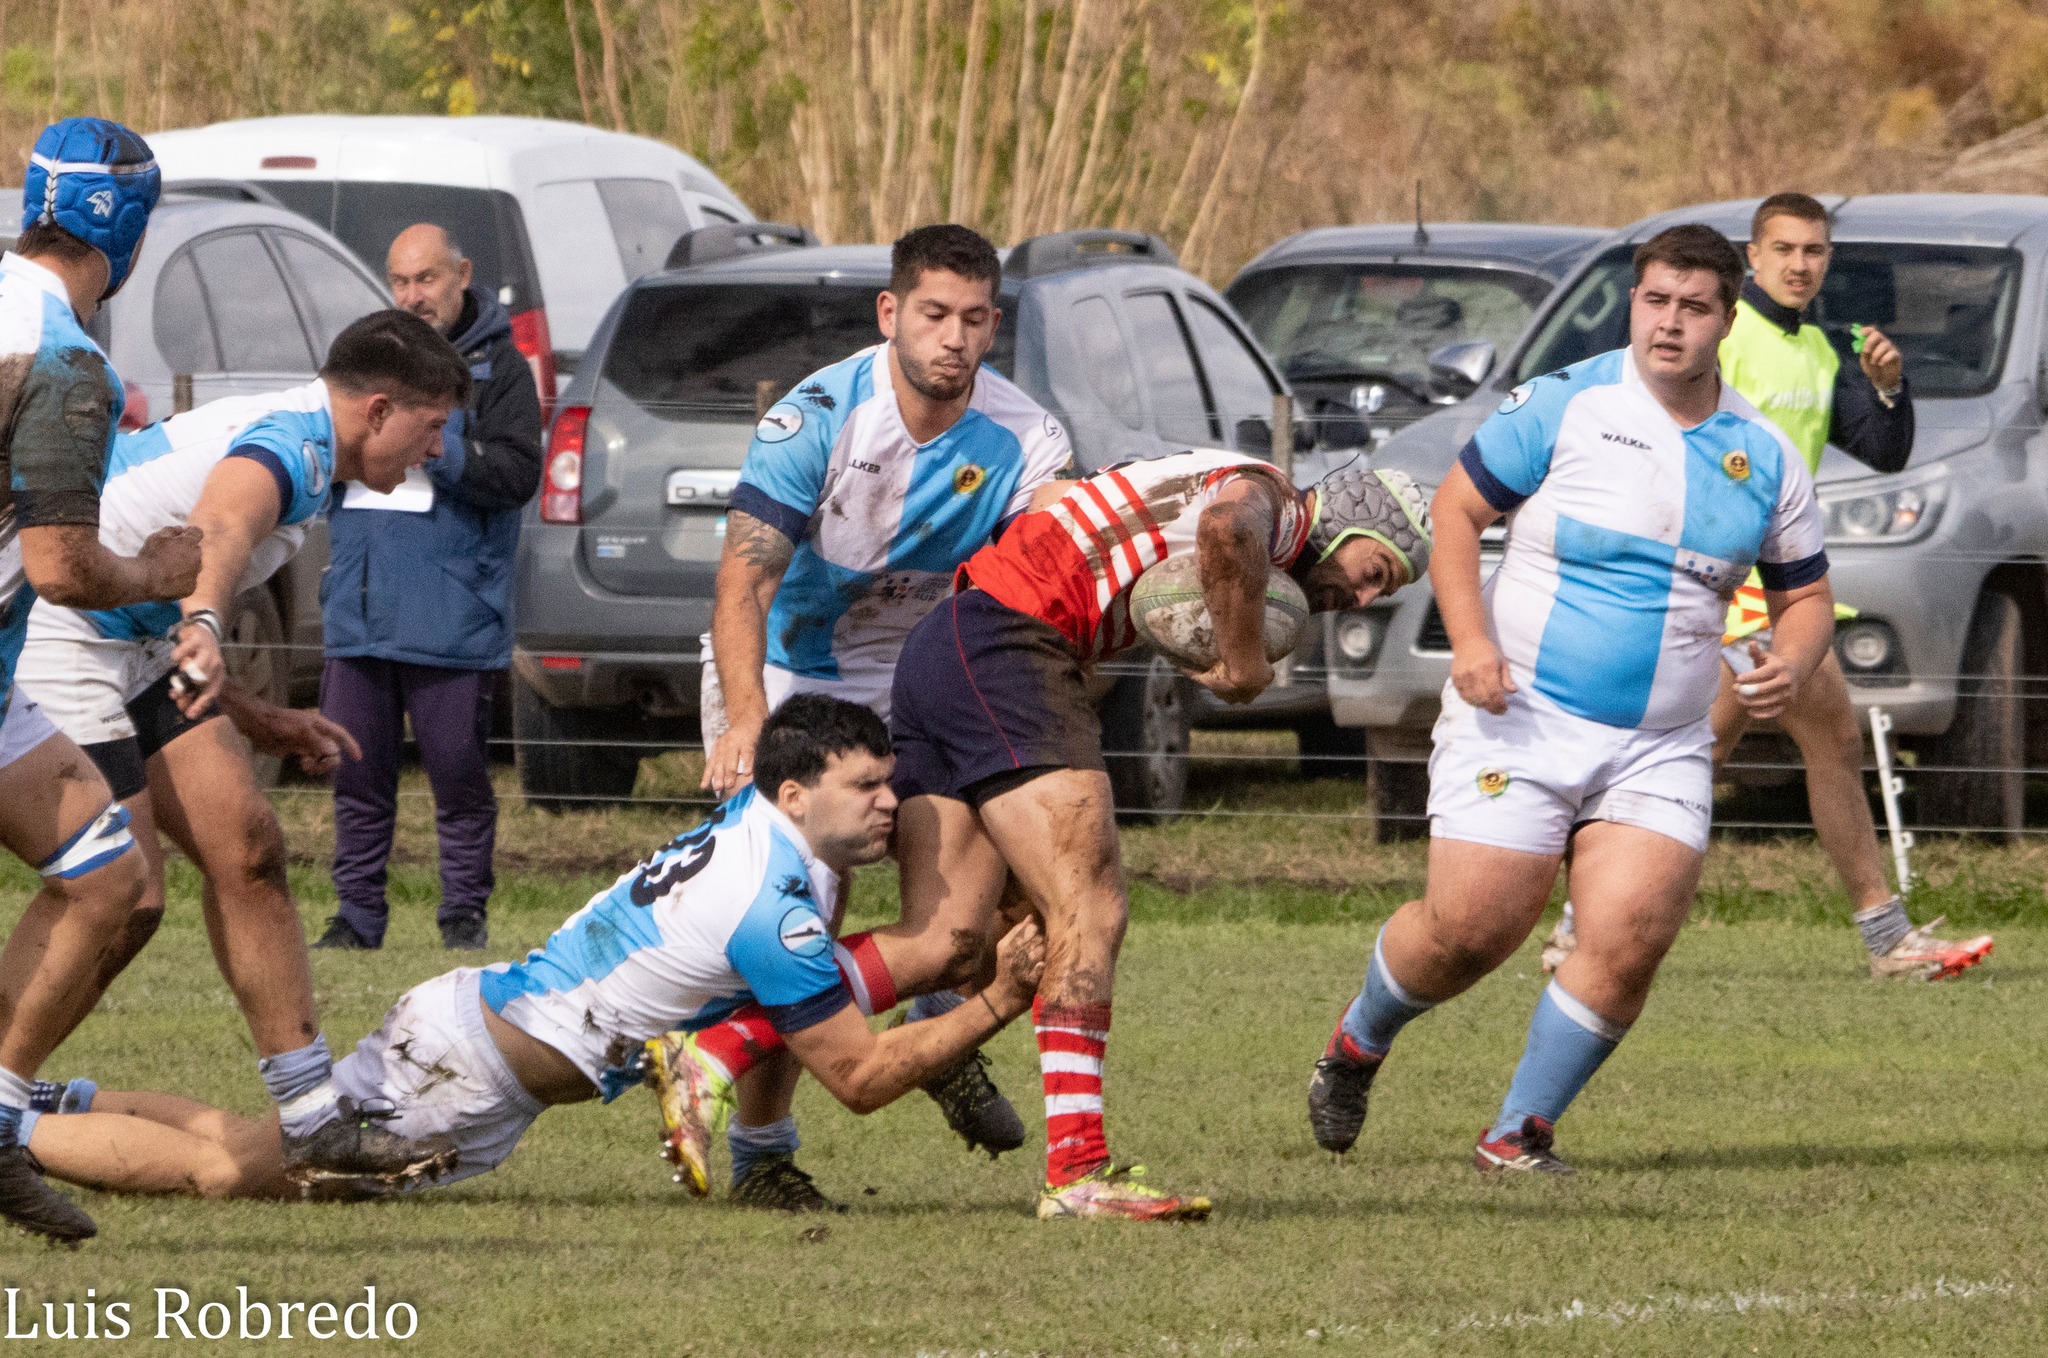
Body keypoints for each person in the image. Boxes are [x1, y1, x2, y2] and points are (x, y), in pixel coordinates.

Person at [671, 451, 1433, 1219]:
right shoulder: (1272, 502)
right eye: (1376, 566)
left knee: (952, 941)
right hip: (1012, 642)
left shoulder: (1207, 471)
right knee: (1088, 910)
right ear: (1339, 520)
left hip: (948, 647)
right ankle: (1078, 1172)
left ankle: (715, 1051)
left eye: (1385, 589)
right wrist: (1242, 664)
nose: (1364, 594)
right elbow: (1229, 530)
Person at [16, 697, 1047, 1205]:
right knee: (228, 1170)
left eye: (888, 782)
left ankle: (51, 1102)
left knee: (249, 1136)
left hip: (472, 1028)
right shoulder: (771, 903)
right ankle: (10, 1139)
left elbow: (794, 1005)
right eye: (865, 785)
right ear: (792, 793)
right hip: (462, 1074)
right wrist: (996, 995)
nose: (887, 803)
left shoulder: (766, 839)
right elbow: (859, 1075)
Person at [1308, 225, 1834, 1176]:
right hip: (1524, 716)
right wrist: (1470, 642)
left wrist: (1793, 661)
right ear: (1633, 303)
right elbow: (1459, 513)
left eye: (1694, 307)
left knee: (1630, 938)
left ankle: (1519, 1133)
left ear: (1727, 318)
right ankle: (1358, 1040)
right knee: (1471, 932)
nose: (1670, 324)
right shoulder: (1568, 404)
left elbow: (1804, 597)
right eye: (1655, 302)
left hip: (1661, 742)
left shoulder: (1762, 456)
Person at [15, 309, 479, 1203]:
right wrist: (204, 619)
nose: (435, 450)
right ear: (379, 411)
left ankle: (311, 1115)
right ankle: (2, 1100)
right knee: (129, 896)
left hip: (133, 642)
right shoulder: (295, 445)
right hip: (67, 637)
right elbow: (221, 526)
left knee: (250, 846)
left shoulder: (315, 452)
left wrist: (257, 714)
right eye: (433, 427)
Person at [678, 224, 1071, 1205]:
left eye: (975, 319)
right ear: (890, 313)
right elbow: (740, 585)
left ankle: (940, 1038)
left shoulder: (1029, 440)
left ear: (993, 326)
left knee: (957, 932)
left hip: (924, 685)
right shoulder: (814, 417)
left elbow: (1043, 584)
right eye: (934, 314)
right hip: (786, 675)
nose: (954, 337)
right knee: (800, 913)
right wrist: (745, 722)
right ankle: (763, 1154)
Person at [1542, 192, 1989, 982]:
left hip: (1784, 595)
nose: (1800, 265)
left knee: (1830, 745)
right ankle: (1580, 928)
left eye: (1814, 251)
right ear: (1752, 258)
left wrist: (1888, 386)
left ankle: (1887, 938)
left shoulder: (1819, 351)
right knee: (1690, 756)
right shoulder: (1722, 332)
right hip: (1713, 587)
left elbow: (1883, 451)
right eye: (1784, 249)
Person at [0, 116, 212, 1243]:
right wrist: (165, 567)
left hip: (1, 689)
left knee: (105, 872)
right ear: (122, 228)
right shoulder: (68, 360)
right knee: (104, 879)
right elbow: (65, 567)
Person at [313, 224, 544, 954]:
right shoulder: (363, 357)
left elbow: (515, 476)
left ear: (463, 274)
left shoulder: (504, 369)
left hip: (453, 617)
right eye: (401, 281)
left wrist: (431, 447)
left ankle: (462, 916)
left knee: (458, 779)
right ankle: (355, 918)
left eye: (428, 280)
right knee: (355, 776)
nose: (414, 296)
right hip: (360, 607)